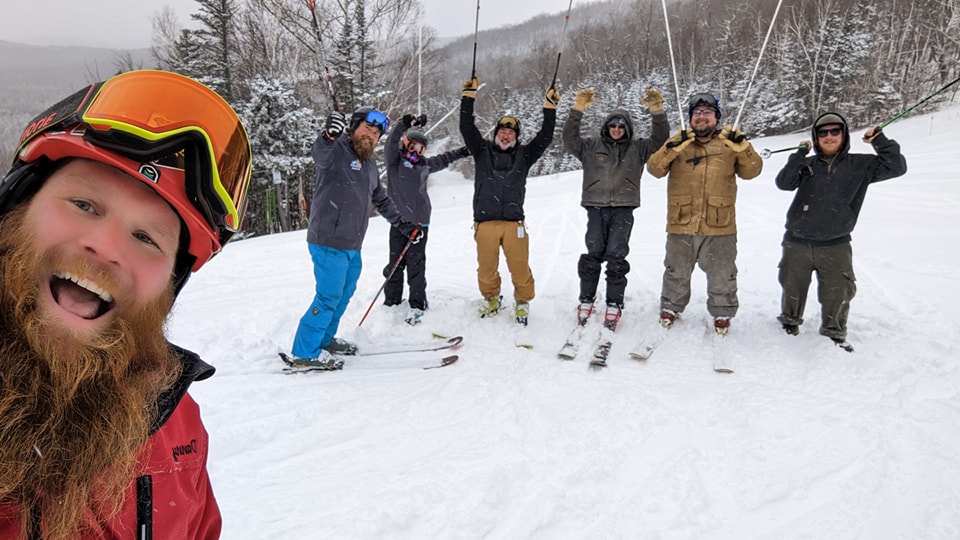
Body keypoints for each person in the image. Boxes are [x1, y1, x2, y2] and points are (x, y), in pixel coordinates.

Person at [0, 69, 251, 539]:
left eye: (145, 237)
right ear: (15, 208)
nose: (107, 248)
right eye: (84, 205)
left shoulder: (173, 422)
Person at [290, 106, 422, 367]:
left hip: (352, 244)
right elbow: (320, 155)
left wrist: (403, 225)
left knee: (343, 295)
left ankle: (325, 339)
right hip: (328, 240)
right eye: (367, 129)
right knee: (328, 296)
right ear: (353, 127)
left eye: (376, 133)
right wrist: (328, 135)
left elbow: (381, 199)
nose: (371, 136)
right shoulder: (336, 149)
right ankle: (304, 353)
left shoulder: (370, 164)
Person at [774, 112, 907, 351]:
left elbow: (896, 167)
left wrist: (879, 140)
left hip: (835, 244)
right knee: (792, 286)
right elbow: (783, 183)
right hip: (797, 241)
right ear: (816, 138)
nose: (829, 136)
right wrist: (800, 154)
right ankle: (790, 323)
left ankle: (833, 331)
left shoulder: (860, 165)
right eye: (823, 133)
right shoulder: (807, 164)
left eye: (835, 131)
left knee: (839, 291)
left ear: (844, 135)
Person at [645, 93, 763, 334]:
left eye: (707, 113)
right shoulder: (678, 143)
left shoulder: (729, 144)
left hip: (720, 224)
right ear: (690, 118)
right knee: (676, 271)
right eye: (697, 113)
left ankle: (722, 313)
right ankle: (670, 308)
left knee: (723, 273)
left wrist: (744, 148)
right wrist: (671, 148)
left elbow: (752, 171)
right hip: (681, 222)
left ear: (716, 117)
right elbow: (654, 169)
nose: (701, 117)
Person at [562, 87, 670, 330]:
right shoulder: (590, 147)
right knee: (593, 255)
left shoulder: (638, 148)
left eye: (622, 126)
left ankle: (614, 302)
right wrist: (577, 110)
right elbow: (569, 141)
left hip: (623, 208)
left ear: (628, 128)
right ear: (606, 126)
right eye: (613, 125)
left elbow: (660, 142)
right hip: (596, 208)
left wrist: (658, 112)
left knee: (617, 256)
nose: (617, 130)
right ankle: (586, 299)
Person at [459, 76, 558, 326]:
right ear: (495, 134)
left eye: (511, 132)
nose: (506, 135)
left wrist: (549, 109)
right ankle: (491, 299)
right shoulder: (481, 151)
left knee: (520, 267)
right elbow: (466, 128)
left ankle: (522, 302)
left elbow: (545, 137)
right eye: (502, 131)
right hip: (485, 223)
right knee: (486, 269)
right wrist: (468, 98)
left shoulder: (525, 156)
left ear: (516, 137)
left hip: (515, 224)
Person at [383, 113, 471, 325]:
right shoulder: (394, 161)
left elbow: (444, 159)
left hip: (420, 224)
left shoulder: (424, 166)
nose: (416, 152)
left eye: (421, 149)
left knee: (416, 264)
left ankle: (417, 303)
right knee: (395, 264)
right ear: (405, 145)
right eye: (413, 147)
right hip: (398, 224)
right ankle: (392, 301)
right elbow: (390, 142)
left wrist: (463, 151)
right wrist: (404, 124)